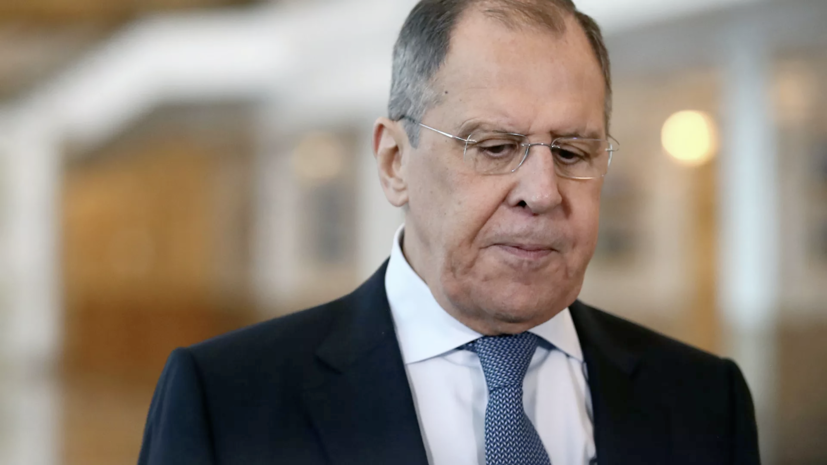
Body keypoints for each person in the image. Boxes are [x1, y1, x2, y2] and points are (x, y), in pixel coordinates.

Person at [138, 0, 761, 464]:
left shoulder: (706, 400)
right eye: (494, 146)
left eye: (572, 152)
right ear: (395, 163)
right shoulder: (227, 401)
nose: (542, 192)